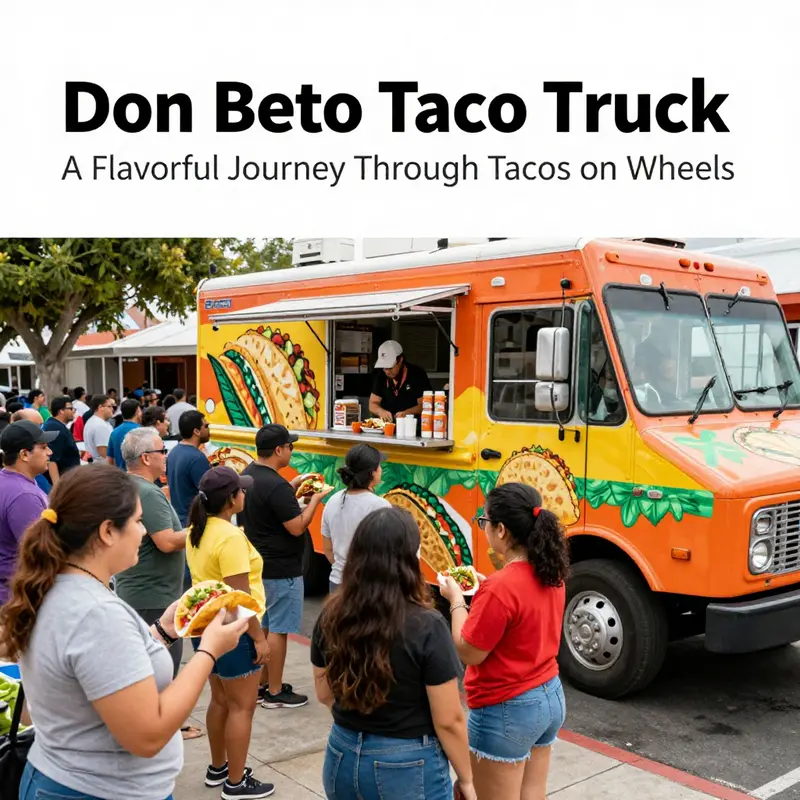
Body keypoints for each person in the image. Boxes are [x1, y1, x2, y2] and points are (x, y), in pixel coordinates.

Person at [0, 463, 248, 800]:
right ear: (106, 531)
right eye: (137, 521)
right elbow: (148, 734)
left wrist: (162, 631)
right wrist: (209, 651)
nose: (144, 532)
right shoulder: (95, 613)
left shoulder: (58, 586)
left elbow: (99, 669)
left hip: (65, 777)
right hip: (99, 790)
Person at [311, 507, 476, 800]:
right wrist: (467, 779)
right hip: (407, 764)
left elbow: (324, 693)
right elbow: (449, 719)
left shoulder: (330, 615)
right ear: (411, 560)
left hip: (341, 753)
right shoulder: (427, 625)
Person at [439, 483, 569, 800]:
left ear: (501, 530)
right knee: (532, 793)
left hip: (508, 706)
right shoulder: (552, 573)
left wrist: (456, 600)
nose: (483, 528)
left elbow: (469, 652)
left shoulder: (500, 588)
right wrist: (485, 593)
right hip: (549, 696)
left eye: (483, 522)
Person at [186, 467, 274, 800]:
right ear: (231, 500)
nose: (245, 495)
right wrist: (259, 638)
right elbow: (239, 599)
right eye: (241, 491)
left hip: (206, 628)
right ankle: (236, 784)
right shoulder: (230, 537)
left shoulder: (199, 528)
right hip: (234, 632)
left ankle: (218, 768)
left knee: (220, 700)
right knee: (242, 708)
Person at [239, 424, 329, 710]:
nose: (292, 450)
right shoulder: (275, 485)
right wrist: (315, 500)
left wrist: (293, 488)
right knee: (279, 630)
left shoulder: (250, 476)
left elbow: (271, 505)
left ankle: (263, 684)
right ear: (278, 450)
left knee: (266, 627)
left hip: (260, 565)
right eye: (289, 446)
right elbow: (296, 527)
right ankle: (276, 692)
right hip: (282, 569)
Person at [0, 420, 57, 604]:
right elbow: (41, 553)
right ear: (24, 454)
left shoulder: (9, 482)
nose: (50, 453)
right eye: (44, 447)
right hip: (16, 597)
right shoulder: (23, 496)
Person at [322, 444, 390, 593]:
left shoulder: (332, 501)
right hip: (368, 587)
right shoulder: (380, 506)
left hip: (337, 582)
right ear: (372, 473)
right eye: (379, 466)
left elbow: (327, 549)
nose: (381, 470)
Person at [166, 409, 211, 528]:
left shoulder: (173, 452)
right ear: (196, 431)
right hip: (193, 523)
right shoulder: (197, 458)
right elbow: (209, 495)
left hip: (179, 521)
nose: (208, 429)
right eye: (206, 426)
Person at [369, 340, 432, 422]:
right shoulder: (381, 375)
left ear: (400, 360)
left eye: (390, 367)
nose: (387, 371)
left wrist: (408, 413)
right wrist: (381, 412)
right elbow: (373, 403)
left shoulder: (417, 374)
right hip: (388, 426)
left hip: (412, 425)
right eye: (384, 368)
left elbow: (425, 405)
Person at [43, 395, 80, 486]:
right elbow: (52, 460)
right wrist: (57, 486)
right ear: (61, 411)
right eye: (70, 408)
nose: (73, 411)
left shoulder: (57, 425)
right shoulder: (55, 428)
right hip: (63, 482)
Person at [107, 398, 143, 470]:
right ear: (137, 412)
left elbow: (110, 460)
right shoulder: (141, 431)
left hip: (121, 476)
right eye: (140, 411)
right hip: (138, 475)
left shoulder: (114, 432)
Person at [84, 394, 115, 461]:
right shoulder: (100, 425)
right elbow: (105, 453)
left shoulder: (94, 421)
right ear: (100, 407)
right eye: (109, 406)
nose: (112, 409)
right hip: (103, 467)